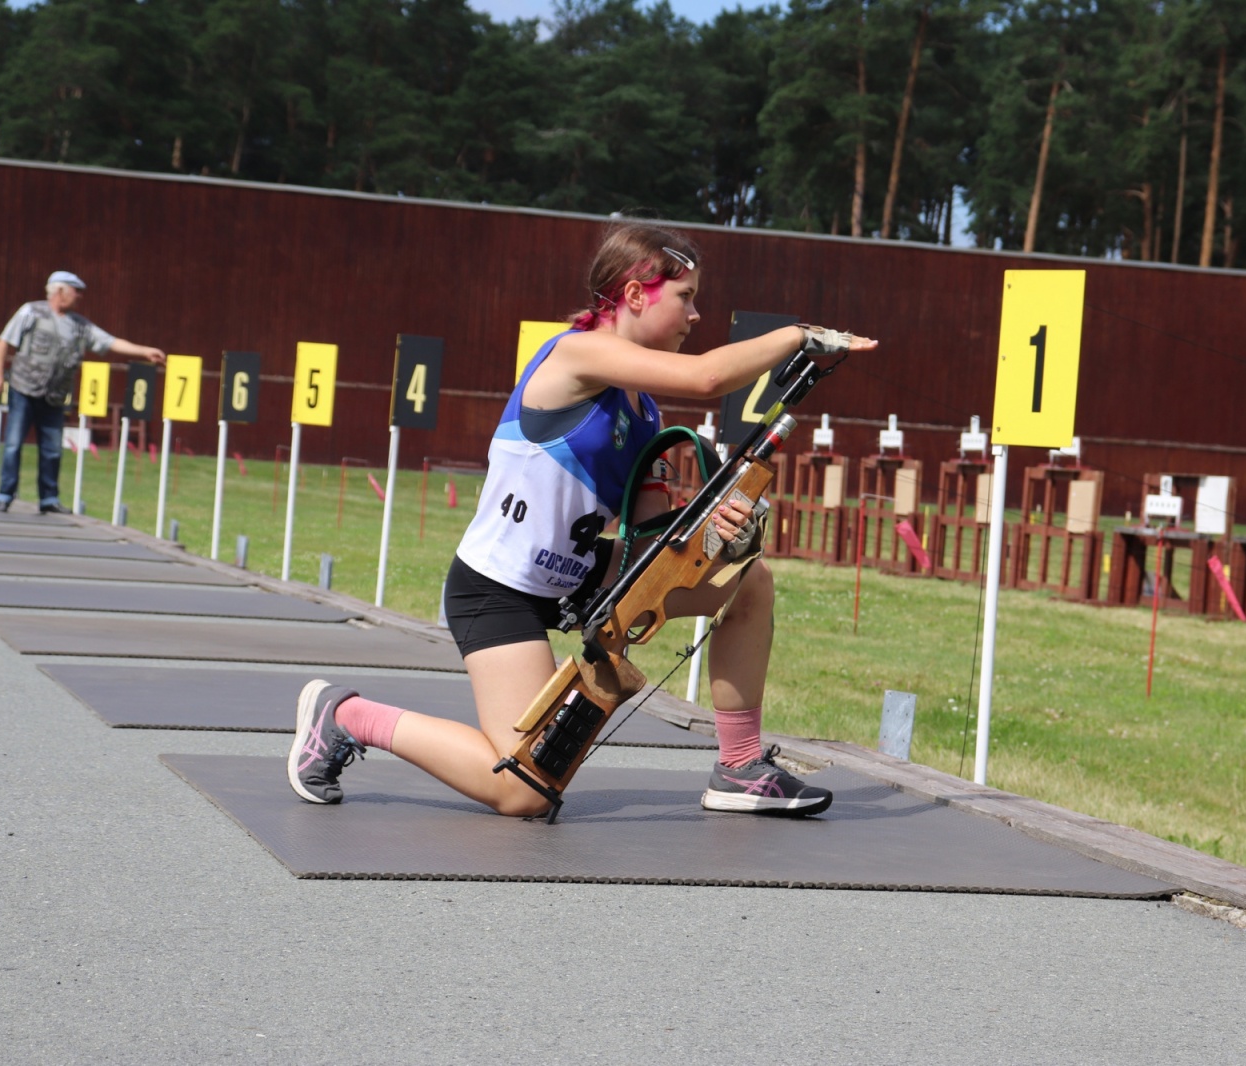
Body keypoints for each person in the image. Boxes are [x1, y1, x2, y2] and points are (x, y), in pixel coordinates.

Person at [288, 222, 877, 818]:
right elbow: (708, 378)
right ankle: (345, 716)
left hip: (582, 578)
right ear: (636, 293)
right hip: (499, 588)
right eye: (686, 296)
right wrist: (800, 335)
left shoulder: (644, 413)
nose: (696, 314)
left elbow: (653, 544)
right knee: (522, 793)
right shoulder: (576, 354)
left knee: (749, 581)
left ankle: (741, 766)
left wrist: (722, 537)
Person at [0, 271, 165, 514]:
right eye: (75, 291)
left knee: (52, 449)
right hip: (23, 389)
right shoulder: (30, 312)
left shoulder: (79, 325)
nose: (79, 297)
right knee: (13, 444)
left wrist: (144, 351)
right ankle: (5, 494)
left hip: (54, 396)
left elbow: (110, 342)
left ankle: (48, 499)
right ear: (60, 292)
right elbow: (4, 342)